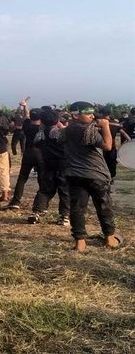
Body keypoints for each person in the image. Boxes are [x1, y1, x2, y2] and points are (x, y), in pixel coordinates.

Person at [60, 101, 121, 252]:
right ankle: (110, 238)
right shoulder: (87, 130)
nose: (92, 116)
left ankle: (80, 242)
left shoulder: (66, 130)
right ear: (76, 115)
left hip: (74, 174)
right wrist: (106, 126)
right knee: (104, 206)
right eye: (88, 114)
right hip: (96, 175)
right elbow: (107, 146)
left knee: (77, 208)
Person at [27, 109, 70, 225]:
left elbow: (36, 144)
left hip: (47, 164)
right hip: (63, 164)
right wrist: (62, 127)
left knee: (45, 189)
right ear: (57, 121)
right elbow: (69, 138)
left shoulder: (41, 133)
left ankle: (36, 212)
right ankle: (64, 216)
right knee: (64, 190)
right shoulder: (61, 132)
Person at [5, 101, 44, 209]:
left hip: (28, 154)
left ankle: (15, 201)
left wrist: (24, 106)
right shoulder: (43, 128)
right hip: (40, 155)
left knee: (22, 178)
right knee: (41, 180)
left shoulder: (27, 125)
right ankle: (41, 204)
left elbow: (26, 115)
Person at [98, 107, 130, 183]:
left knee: (101, 163)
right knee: (112, 163)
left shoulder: (99, 123)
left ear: (102, 114)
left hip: (101, 147)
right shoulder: (116, 124)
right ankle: (111, 178)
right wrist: (126, 144)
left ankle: (104, 178)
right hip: (112, 147)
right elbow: (126, 135)